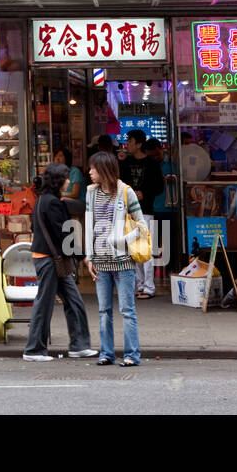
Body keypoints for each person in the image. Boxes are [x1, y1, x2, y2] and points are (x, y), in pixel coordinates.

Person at [24, 163, 95, 361]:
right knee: (45, 304)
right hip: (50, 260)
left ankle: (79, 346)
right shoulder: (53, 202)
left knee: (73, 301)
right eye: (65, 178)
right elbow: (64, 236)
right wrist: (83, 257)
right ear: (58, 181)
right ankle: (34, 350)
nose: (68, 182)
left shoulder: (43, 200)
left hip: (49, 258)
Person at [84, 151, 148, 367]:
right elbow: (89, 225)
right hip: (100, 263)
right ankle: (107, 353)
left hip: (123, 263)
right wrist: (89, 256)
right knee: (104, 311)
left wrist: (123, 240)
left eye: (93, 168)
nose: (90, 172)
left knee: (127, 310)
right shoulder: (90, 193)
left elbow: (143, 225)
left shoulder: (126, 192)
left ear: (104, 170)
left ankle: (132, 355)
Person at [119, 129, 162, 300]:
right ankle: (140, 285)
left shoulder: (152, 164)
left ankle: (149, 287)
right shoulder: (126, 162)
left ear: (139, 144)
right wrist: (120, 162)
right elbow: (120, 182)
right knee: (134, 250)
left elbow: (159, 187)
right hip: (130, 212)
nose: (127, 144)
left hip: (146, 210)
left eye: (130, 141)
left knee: (146, 250)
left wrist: (144, 193)